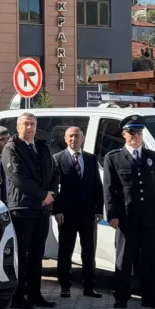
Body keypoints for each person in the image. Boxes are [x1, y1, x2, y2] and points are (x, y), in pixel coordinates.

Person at [103, 115, 155, 309]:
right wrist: (112, 214)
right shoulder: (113, 157)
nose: (136, 136)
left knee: (149, 258)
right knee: (124, 259)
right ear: (124, 134)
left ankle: (150, 297)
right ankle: (121, 297)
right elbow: (109, 188)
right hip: (126, 217)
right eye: (132, 132)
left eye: (139, 133)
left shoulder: (152, 158)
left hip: (149, 217)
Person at [1, 112, 59, 309]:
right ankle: (18, 295)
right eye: (25, 124)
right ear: (18, 127)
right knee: (22, 254)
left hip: (42, 209)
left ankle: (35, 294)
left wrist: (51, 193)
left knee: (37, 254)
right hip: (22, 208)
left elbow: (54, 171)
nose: (29, 127)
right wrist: (42, 195)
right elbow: (18, 178)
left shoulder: (42, 147)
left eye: (33, 124)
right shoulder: (12, 148)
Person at [53, 126, 103, 299]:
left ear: (82, 138)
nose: (74, 139)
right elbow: (54, 188)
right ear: (66, 139)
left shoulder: (90, 158)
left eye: (77, 136)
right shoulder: (58, 159)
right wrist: (56, 210)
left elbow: (97, 185)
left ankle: (89, 287)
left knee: (89, 252)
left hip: (88, 214)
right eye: (71, 136)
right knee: (65, 251)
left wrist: (98, 209)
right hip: (66, 214)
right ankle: (64, 286)